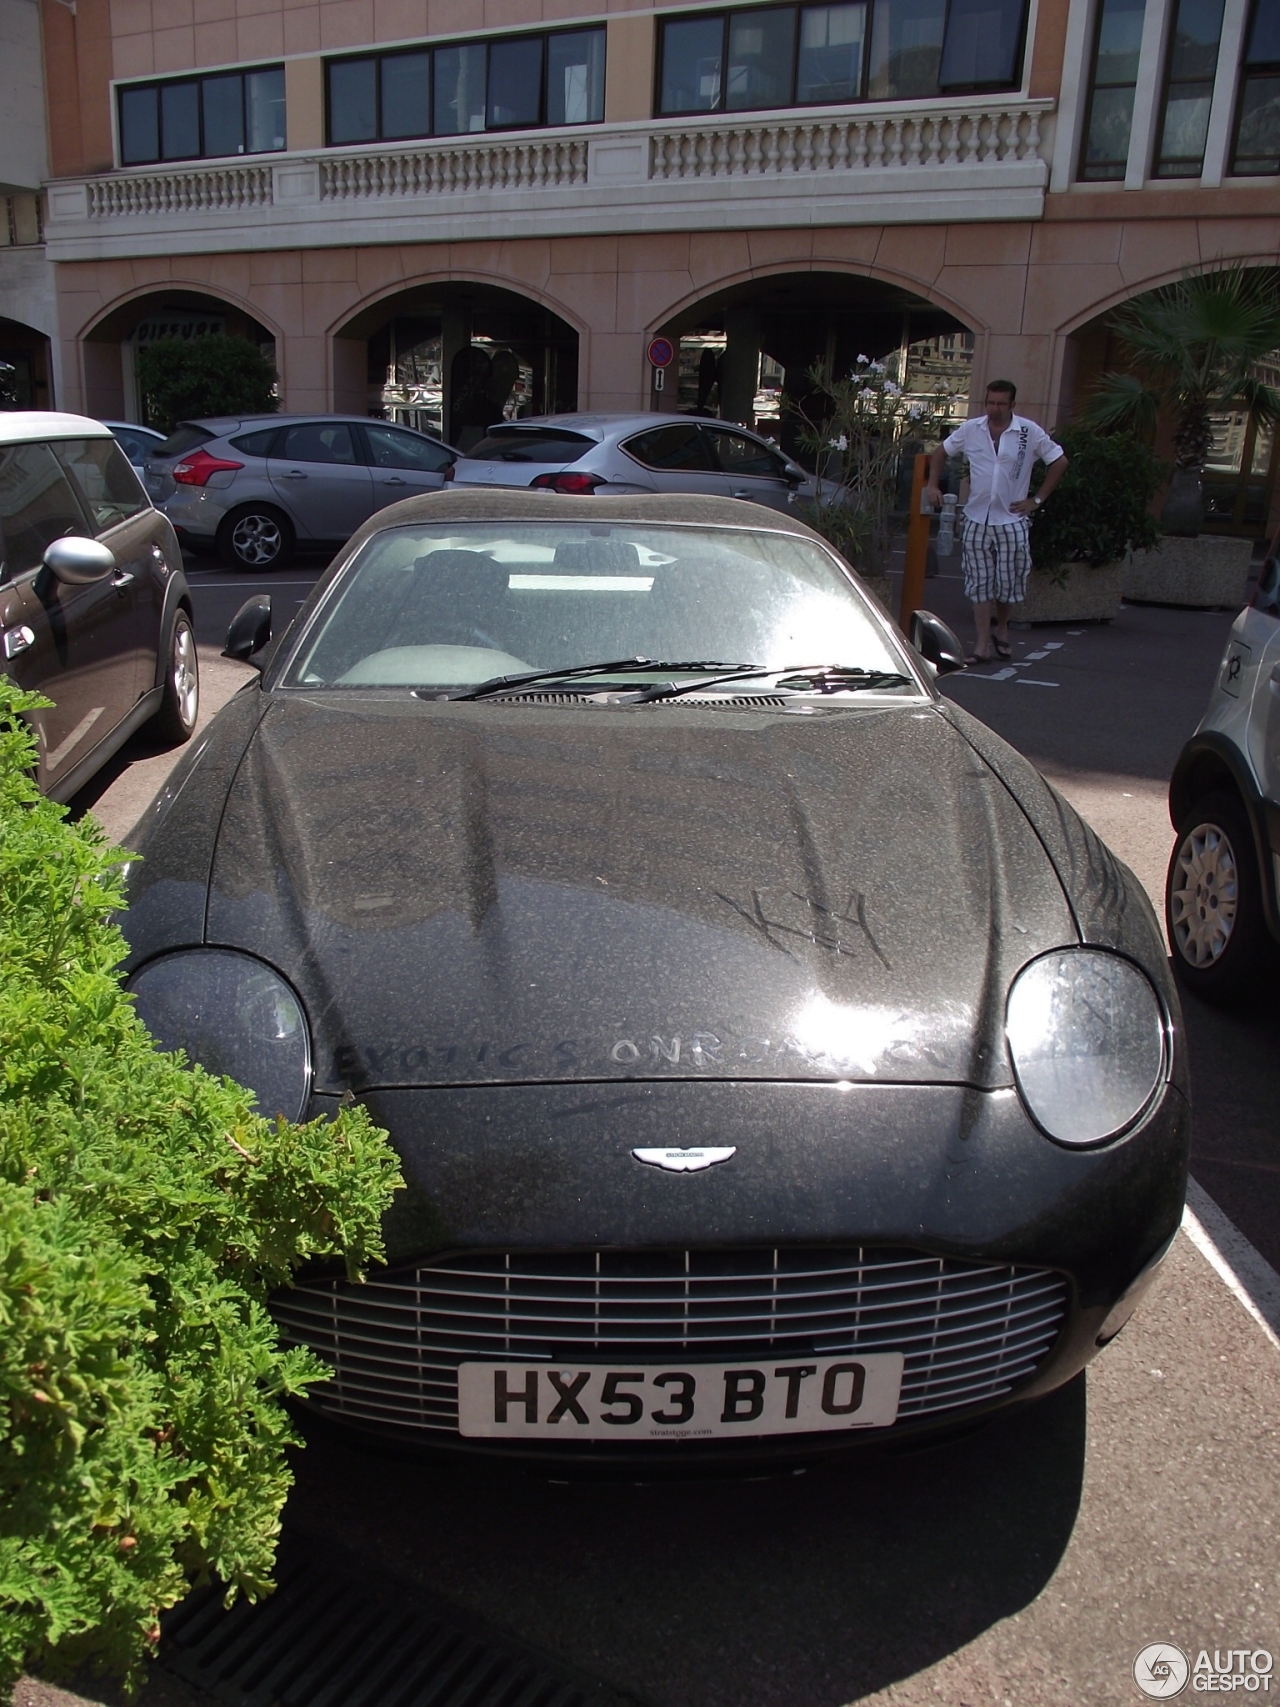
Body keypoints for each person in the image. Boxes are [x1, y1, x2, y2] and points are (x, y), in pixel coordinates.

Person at [924, 380, 1068, 664]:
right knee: (979, 582)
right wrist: (932, 485)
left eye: (1001, 403)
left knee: (1008, 581)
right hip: (977, 516)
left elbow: (1059, 461)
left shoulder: (1027, 431)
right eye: (991, 402)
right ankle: (981, 645)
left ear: (1012, 405)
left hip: (1011, 517)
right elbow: (940, 452)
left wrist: (1036, 500)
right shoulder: (971, 429)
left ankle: (1001, 628)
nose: (995, 408)